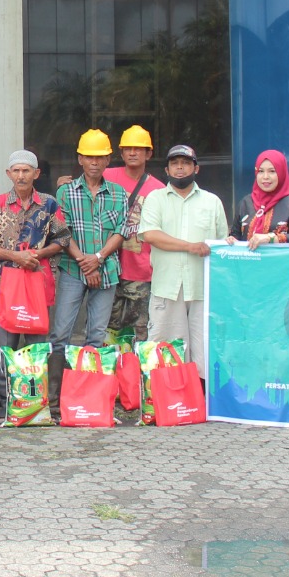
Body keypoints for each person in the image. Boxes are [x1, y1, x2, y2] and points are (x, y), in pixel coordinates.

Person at [0, 150, 71, 414]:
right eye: (16, 171)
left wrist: (37, 254)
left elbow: (63, 239)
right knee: (6, 347)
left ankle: (34, 403)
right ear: (9, 174)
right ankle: (7, 402)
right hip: (4, 284)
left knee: (36, 347)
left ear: (36, 173)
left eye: (26, 170)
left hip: (37, 284)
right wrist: (16, 257)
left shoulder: (49, 204)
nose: (21, 176)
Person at [137, 144, 229, 372]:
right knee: (166, 356)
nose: (180, 168)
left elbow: (222, 244)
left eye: (186, 163)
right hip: (167, 288)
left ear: (196, 169)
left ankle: (200, 394)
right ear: (166, 170)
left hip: (202, 289)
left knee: (204, 355)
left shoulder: (212, 202)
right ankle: (169, 395)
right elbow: (151, 235)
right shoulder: (155, 198)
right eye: (175, 164)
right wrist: (190, 246)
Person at [53, 131, 127, 389]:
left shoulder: (119, 194)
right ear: (80, 159)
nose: (94, 162)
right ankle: (56, 395)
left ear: (108, 160)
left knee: (96, 336)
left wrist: (98, 258)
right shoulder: (65, 192)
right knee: (60, 334)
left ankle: (87, 395)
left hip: (106, 270)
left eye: (99, 157)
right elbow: (62, 231)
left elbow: (121, 232)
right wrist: (86, 263)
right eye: (89, 157)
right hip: (72, 269)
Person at [102, 125, 162, 343]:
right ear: (121, 152)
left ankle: (134, 366)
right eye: (128, 148)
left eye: (139, 148)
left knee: (138, 334)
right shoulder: (106, 176)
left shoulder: (158, 189)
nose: (133, 153)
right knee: (106, 332)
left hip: (141, 270)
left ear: (149, 153)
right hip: (108, 268)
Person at [228, 150, 289, 247]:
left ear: (281, 172)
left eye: (272, 171)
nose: (265, 177)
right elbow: (235, 235)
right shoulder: (245, 203)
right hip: (249, 257)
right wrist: (232, 240)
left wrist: (272, 238)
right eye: (261, 171)